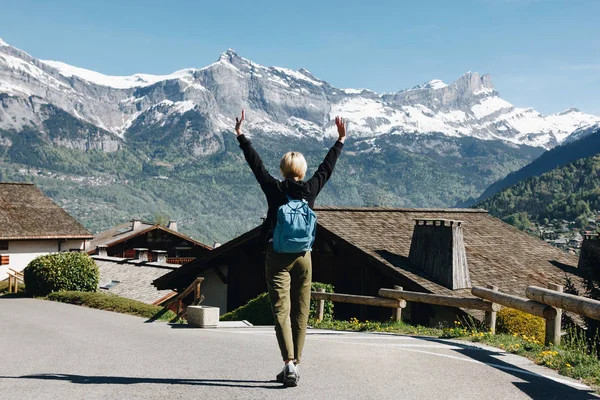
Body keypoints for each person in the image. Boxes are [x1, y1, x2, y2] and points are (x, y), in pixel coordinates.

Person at [234, 110, 346, 387]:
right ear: (302, 171)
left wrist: (241, 136)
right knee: (301, 312)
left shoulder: (274, 188)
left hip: (277, 256)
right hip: (304, 257)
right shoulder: (311, 189)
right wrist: (340, 139)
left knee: (281, 311)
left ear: (284, 169)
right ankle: (295, 364)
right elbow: (327, 168)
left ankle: (288, 364)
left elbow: (256, 165)